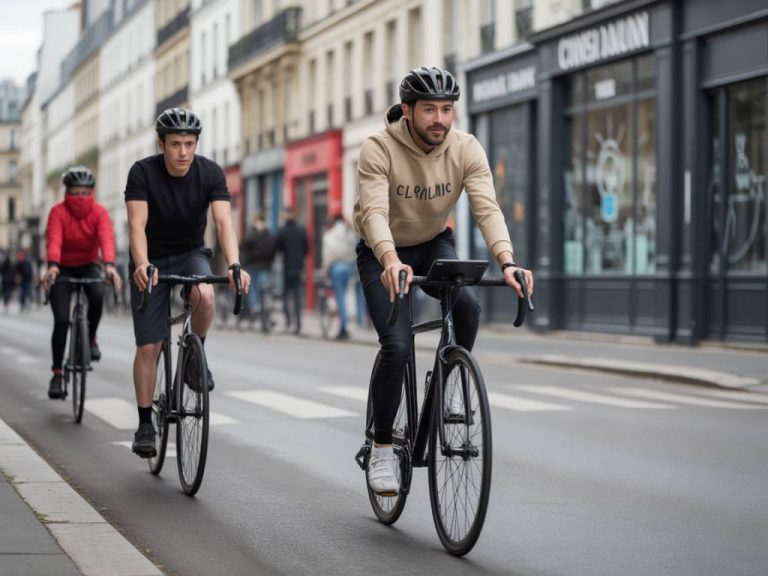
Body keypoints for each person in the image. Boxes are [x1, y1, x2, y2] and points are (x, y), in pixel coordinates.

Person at [354, 67, 534, 495]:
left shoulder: (466, 148)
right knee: (397, 346)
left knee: (468, 304)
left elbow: (487, 209)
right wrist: (390, 258)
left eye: (447, 109)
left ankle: (450, 379)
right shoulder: (378, 148)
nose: (440, 118)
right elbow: (375, 212)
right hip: (381, 251)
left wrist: (507, 262)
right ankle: (381, 447)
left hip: (434, 242)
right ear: (409, 111)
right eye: (430, 109)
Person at [125, 107, 250, 458]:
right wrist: (142, 264)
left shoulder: (210, 172)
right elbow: (136, 224)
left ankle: (195, 357)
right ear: (162, 143)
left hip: (190, 252)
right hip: (149, 258)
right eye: (176, 144)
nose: (183, 152)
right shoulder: (142, 173)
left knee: (205, 297)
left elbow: (224, 223)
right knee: (149, 347)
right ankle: (145, 424)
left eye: (190, 144)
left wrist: (235, 264)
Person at [42, 166, 122, 399]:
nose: (80, 197)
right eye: (75, 192)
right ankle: (57, 374)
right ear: (67, 192)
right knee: (61, 320)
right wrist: (53, 264)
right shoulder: (57, 212)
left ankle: (91, 338)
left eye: (85, 193)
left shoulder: (99, 212)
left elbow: (106, 237)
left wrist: (109, 265)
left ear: (92, 193)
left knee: (97, 294)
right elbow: (54, 238)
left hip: (89, 263)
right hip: (62, 266)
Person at [321, 214, 358, 340]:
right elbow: (355, 250)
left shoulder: (329, 235)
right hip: (348, 267)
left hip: (336, 268)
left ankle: (343, 326)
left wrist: (325, 270)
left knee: (340, 297)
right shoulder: (349, 233)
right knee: (345, 296)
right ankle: (345, 324)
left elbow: (328, 255)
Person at [239, 212, 277, 326]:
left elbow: (243, 247)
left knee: (257, 288)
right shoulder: (267, 235)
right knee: (260, 288)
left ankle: (258, 308)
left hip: (256, 265)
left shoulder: (252, 234)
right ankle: (259, 309)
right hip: (261, 266)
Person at [276, 207, 308, 335]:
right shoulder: (301, 230)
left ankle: (288, 321)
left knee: (285, 295)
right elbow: (307, 249)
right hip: (298, 267)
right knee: (297, 295)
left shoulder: (282, 231)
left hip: (287, 267)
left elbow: (278, 248)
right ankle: (298, 323)